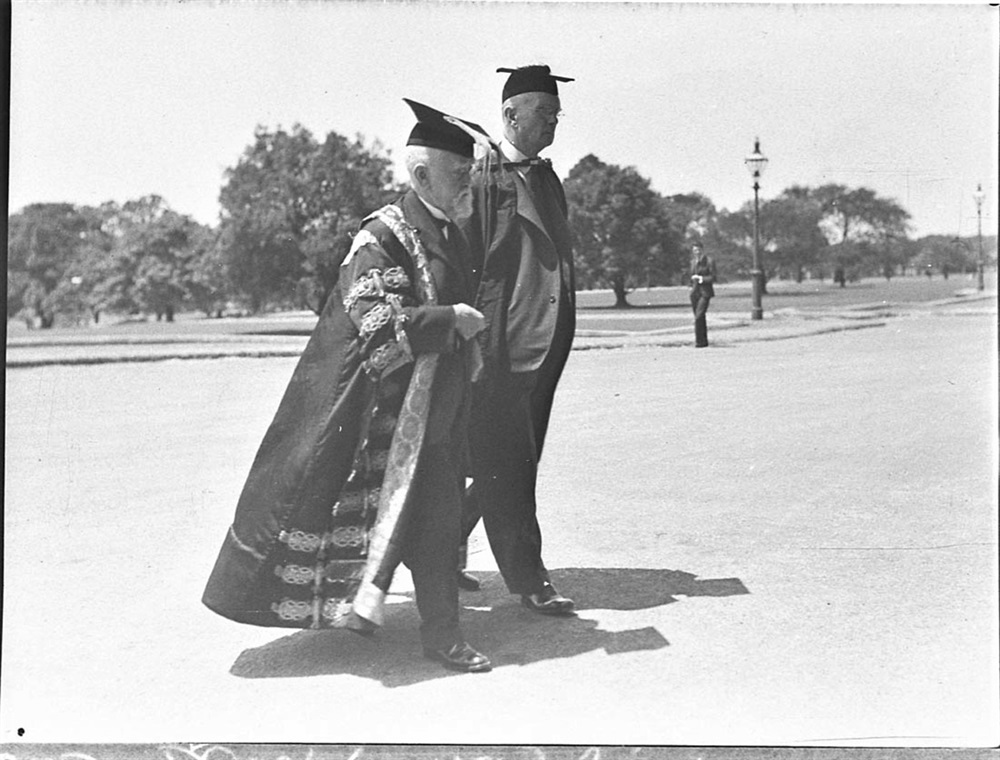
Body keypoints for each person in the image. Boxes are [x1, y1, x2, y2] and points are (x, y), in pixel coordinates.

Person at [202, 98, 494, 674]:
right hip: (374, 418)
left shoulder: (451, 231)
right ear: (420, 176)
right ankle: (429, 627)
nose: (469, 187)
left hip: (432, 404)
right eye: (460, 176)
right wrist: (450, 319)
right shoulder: (380, 237)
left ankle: (440, 631)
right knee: (411, 516)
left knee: (434, 519)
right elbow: (378, 330)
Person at [458, 65, 577, 616]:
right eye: (545, 112)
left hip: (546, 343)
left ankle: (439, 543)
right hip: (501, 346)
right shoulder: (481, 177)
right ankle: (530, 579)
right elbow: (469, 263)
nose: (556, 120)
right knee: (511, 461)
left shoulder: (548, 177)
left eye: (556, 112)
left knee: (511, 457)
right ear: (510, 115)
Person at [689, 242, 717, 348]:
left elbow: (713, 277)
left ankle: (699, 342)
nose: (697, 252)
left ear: (702, 249)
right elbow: (690, 275)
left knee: (699, 315)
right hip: (694, 293)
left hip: (705, 292)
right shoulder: (692, 262)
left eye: (698, 250)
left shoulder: (709, 261)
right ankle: (702, 341)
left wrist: (701, 279)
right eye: (695, 250)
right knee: (699, 317)